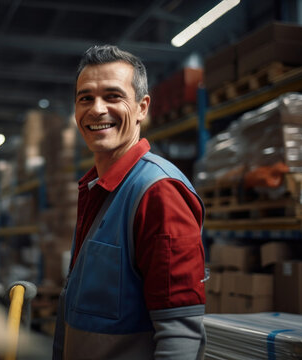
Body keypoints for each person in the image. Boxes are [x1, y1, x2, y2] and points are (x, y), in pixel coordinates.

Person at [52, 44, 207, 360]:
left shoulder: (159, 192)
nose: (97, 109)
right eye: (85, 98)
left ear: (142, 107)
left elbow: (180, 335)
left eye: (112, 96)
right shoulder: (97, 189)